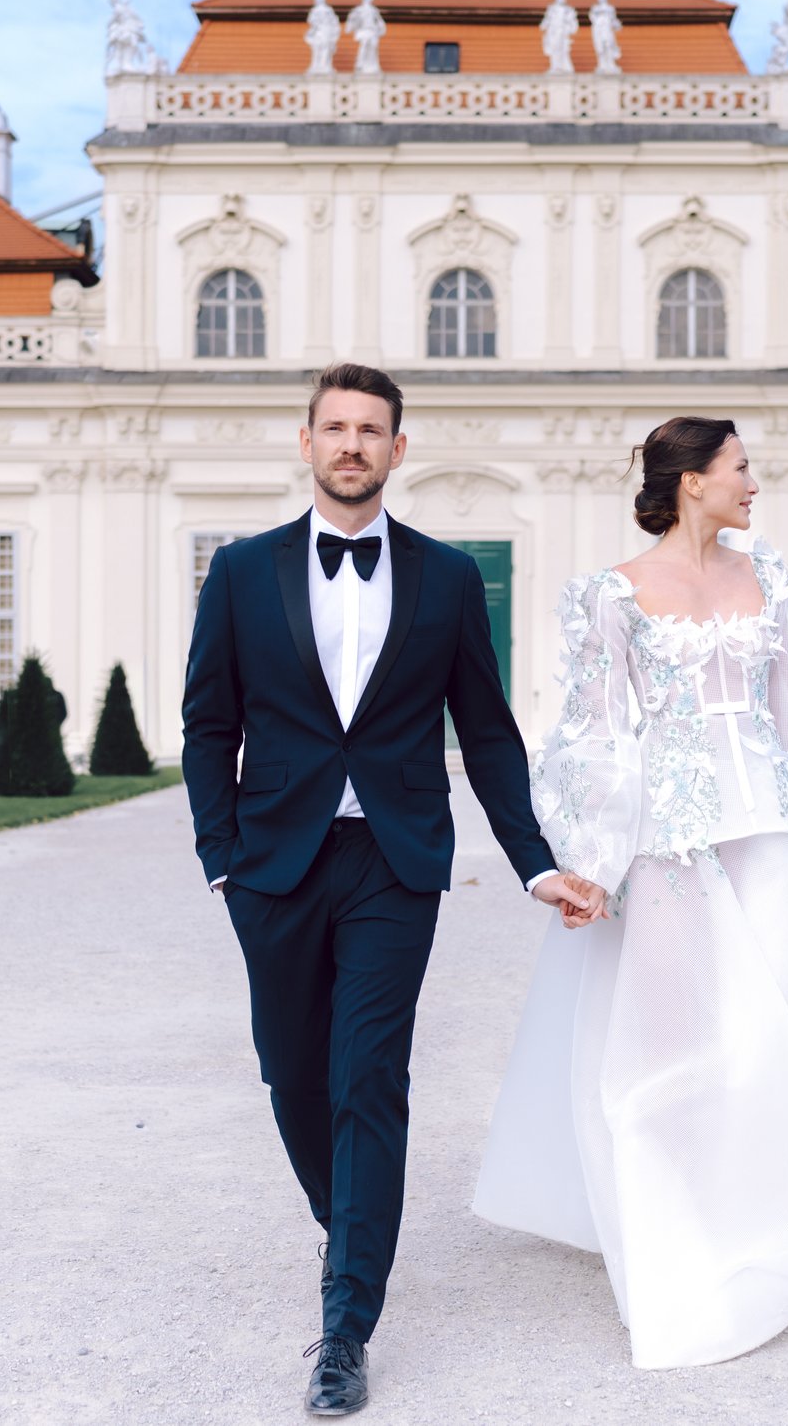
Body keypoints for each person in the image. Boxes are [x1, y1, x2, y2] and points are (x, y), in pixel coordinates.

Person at [472, 414, 788, 1369]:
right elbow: (590, 739)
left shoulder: (766, 576)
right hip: (670, 852)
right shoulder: (609, 598)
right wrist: (595, 858)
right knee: (681, 1049)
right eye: (742, 468)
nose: (755, 483)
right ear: (692, 482)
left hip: (770, 846)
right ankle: (696, 1234)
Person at [183, 361, 605, 1416]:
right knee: (294, 1075)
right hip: (273, 860)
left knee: (369, 1071)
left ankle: (344, 1321)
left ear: (398, 449)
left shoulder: (448, 577)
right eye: (336, 426)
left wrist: (534, 856)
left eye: (372, 428)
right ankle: (354, 1221)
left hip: (393, 858)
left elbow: (489, 729)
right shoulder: (240, 571)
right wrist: (219, 852)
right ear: (307, 441)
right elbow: (207, 724)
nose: (353, 444)